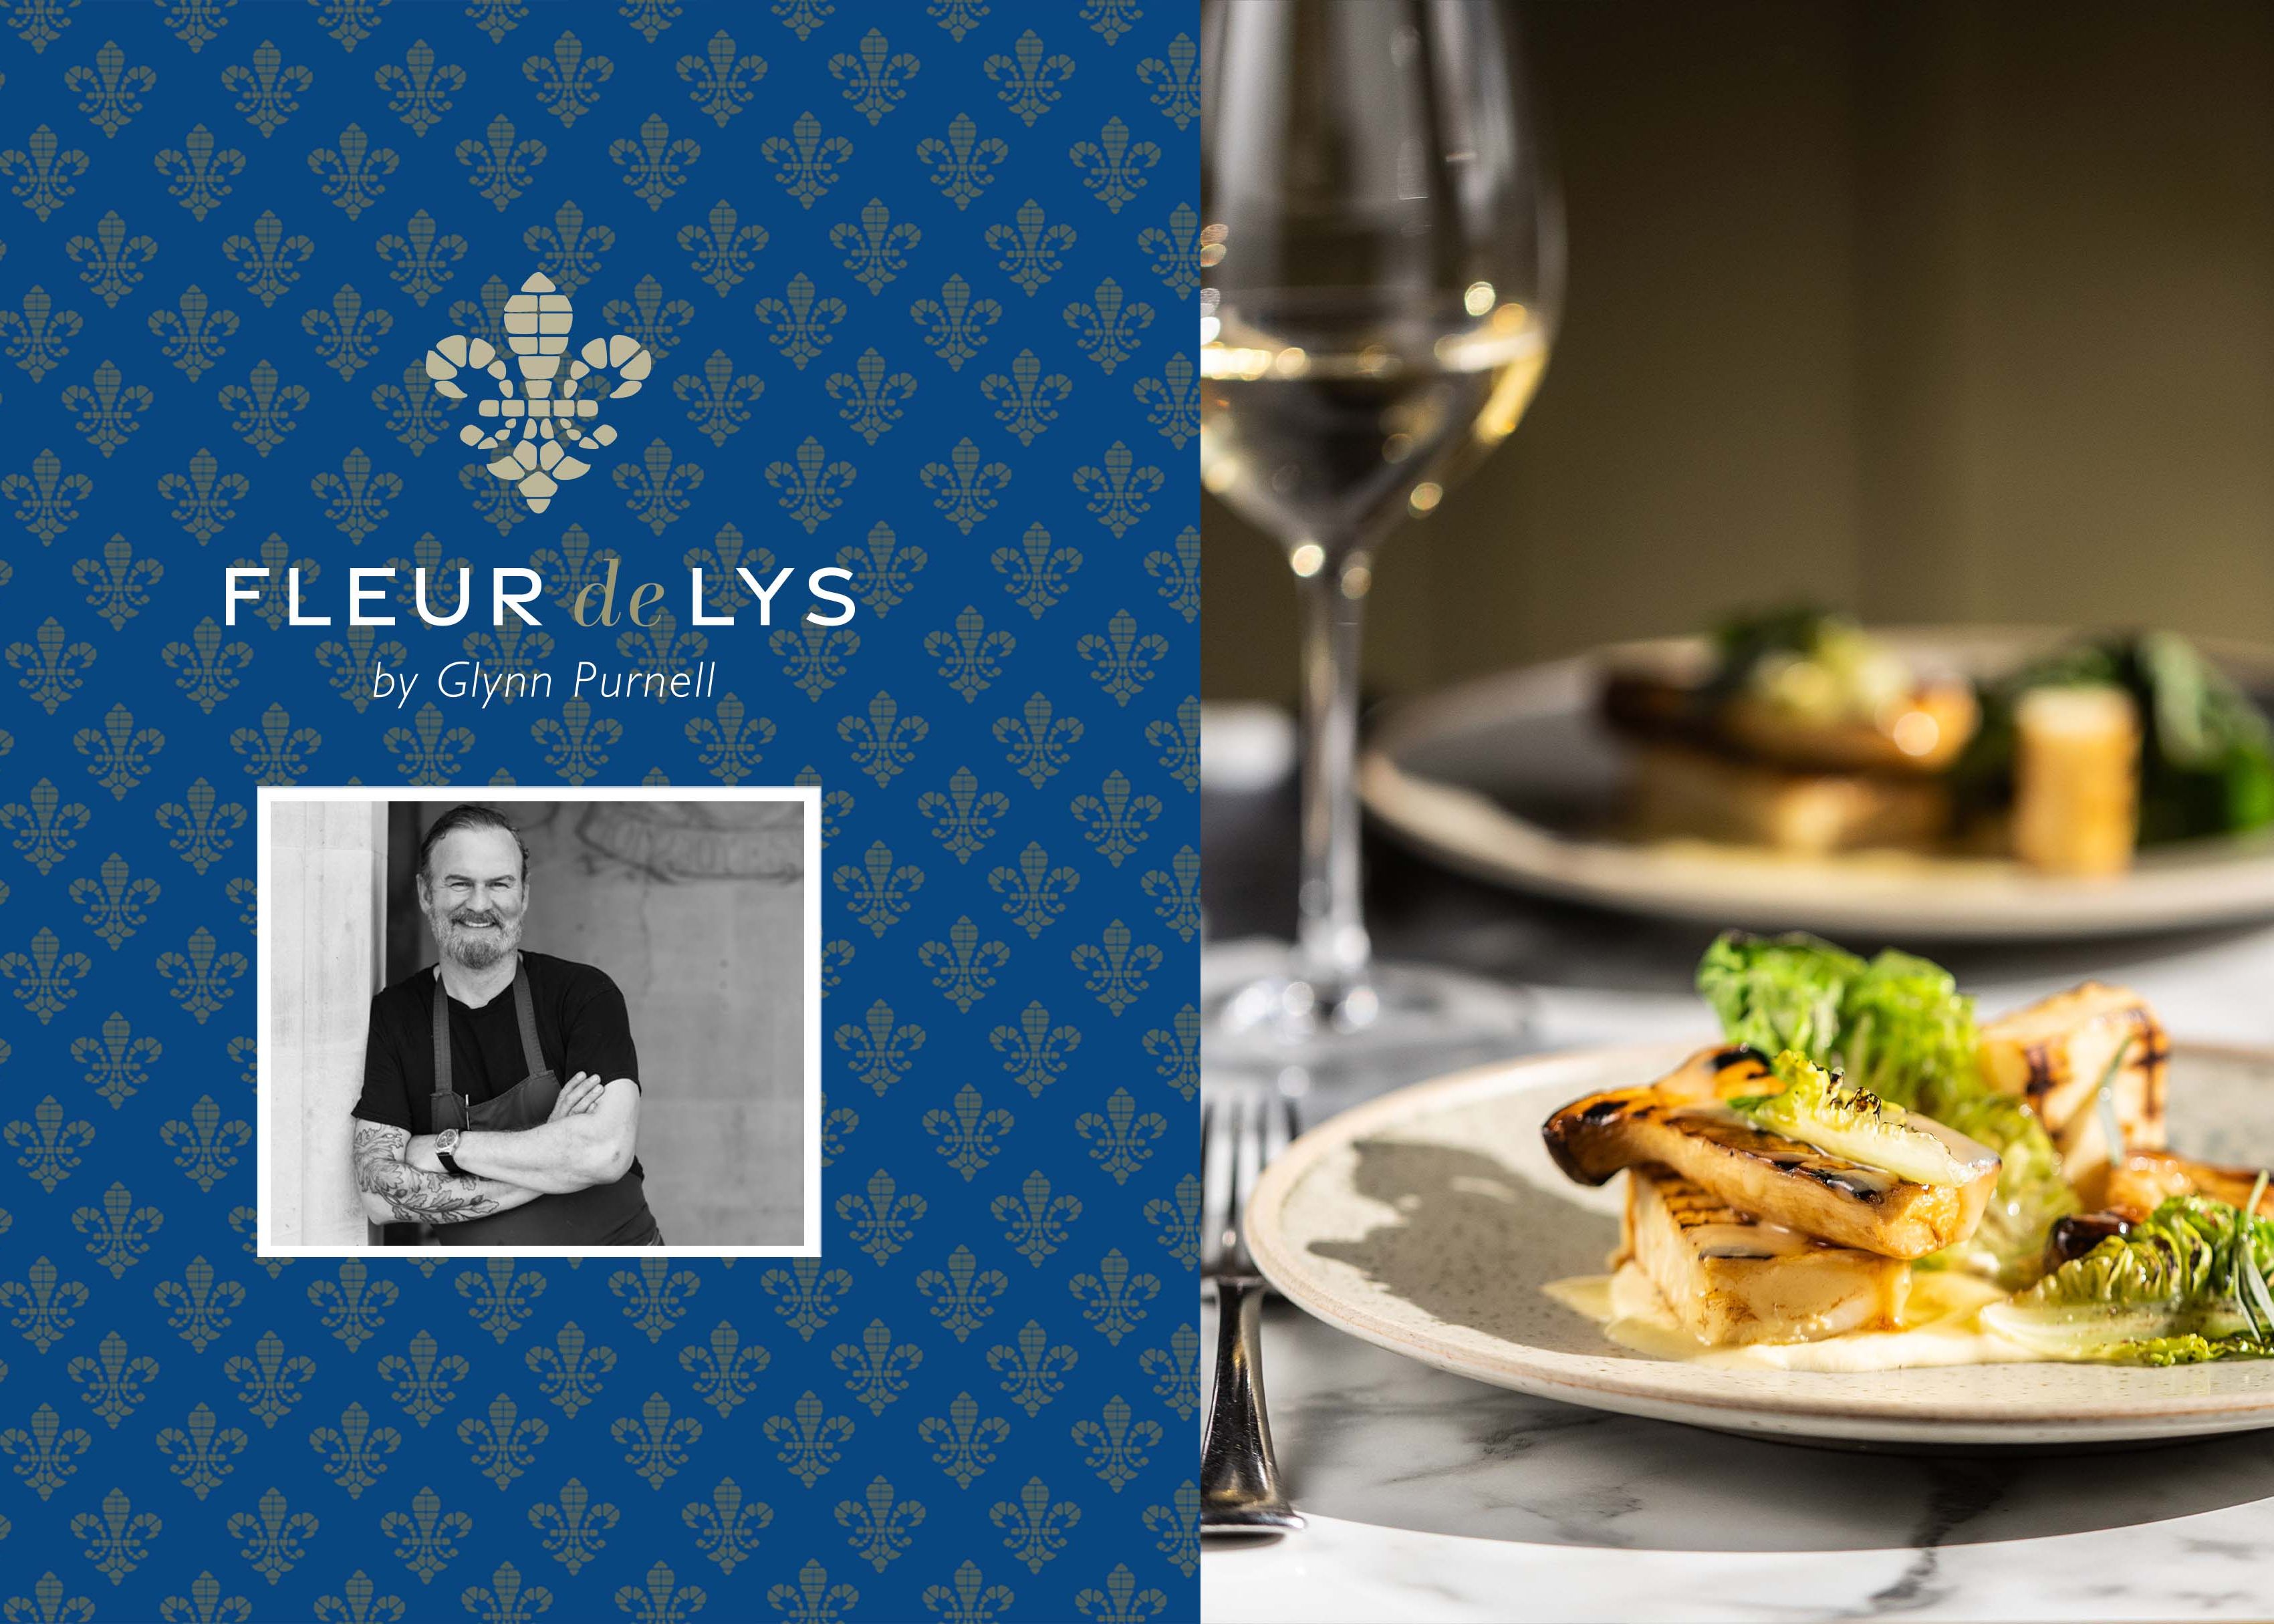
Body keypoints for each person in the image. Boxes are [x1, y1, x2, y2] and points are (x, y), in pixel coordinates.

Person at [349, 803, 664, 1246]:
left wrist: (446, 1147)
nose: (480, 905)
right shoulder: (397, 1015)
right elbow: (380, 1197)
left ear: (524, 895)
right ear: (425, 894)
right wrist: (556, 1160)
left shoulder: (583, 994)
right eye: (460, 883)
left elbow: (605, 1152)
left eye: (499, 884)